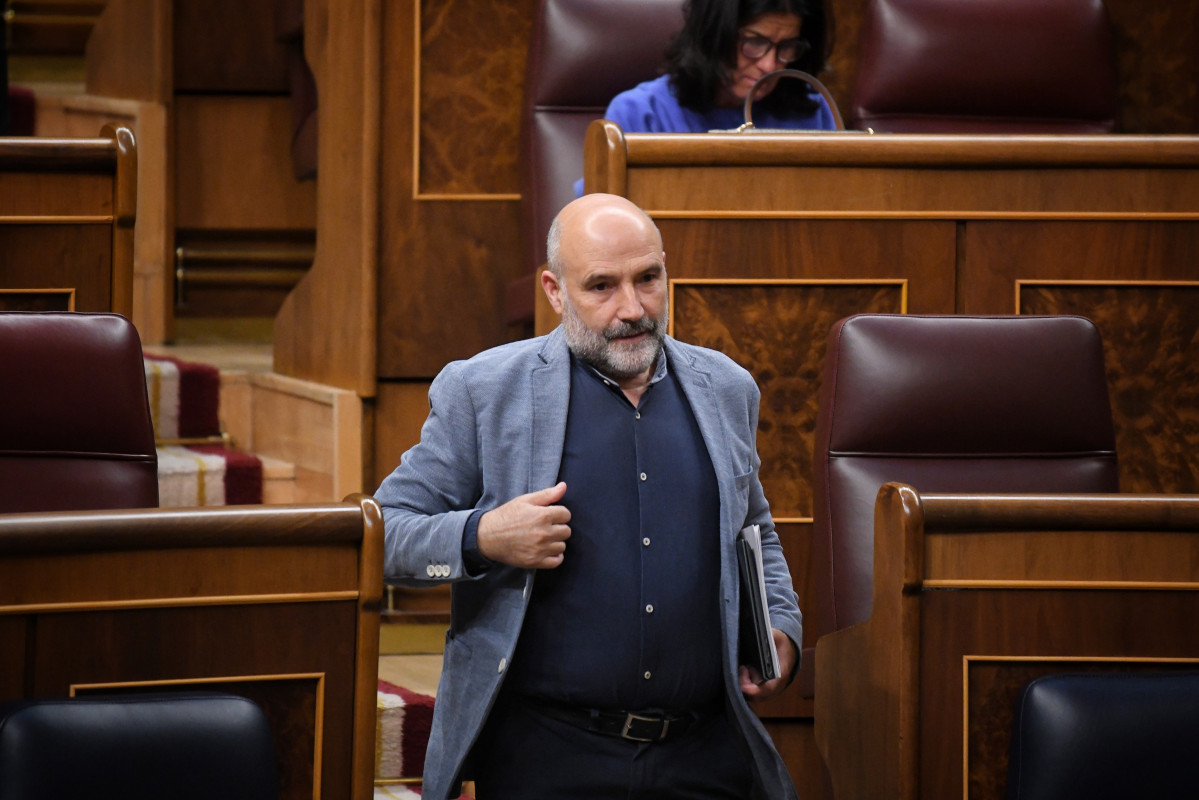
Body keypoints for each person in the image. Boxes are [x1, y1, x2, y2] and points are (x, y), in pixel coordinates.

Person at [376, 192, 802, 800]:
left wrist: (780, 625)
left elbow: (756, 529)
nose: (632, 308)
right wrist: (481, 537)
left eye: (648, 279)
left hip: (705, 752)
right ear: (554, 290)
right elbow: (385, 531)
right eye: (602, 286)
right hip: (547, 756)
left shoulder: (726, 388)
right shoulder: (482, 391)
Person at [572, 0, 836, 195]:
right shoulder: (639, 113)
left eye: (787, 47)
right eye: (754, 42)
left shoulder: (811, 110)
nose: (769, 65)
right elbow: (598, 230)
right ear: (713, 36)